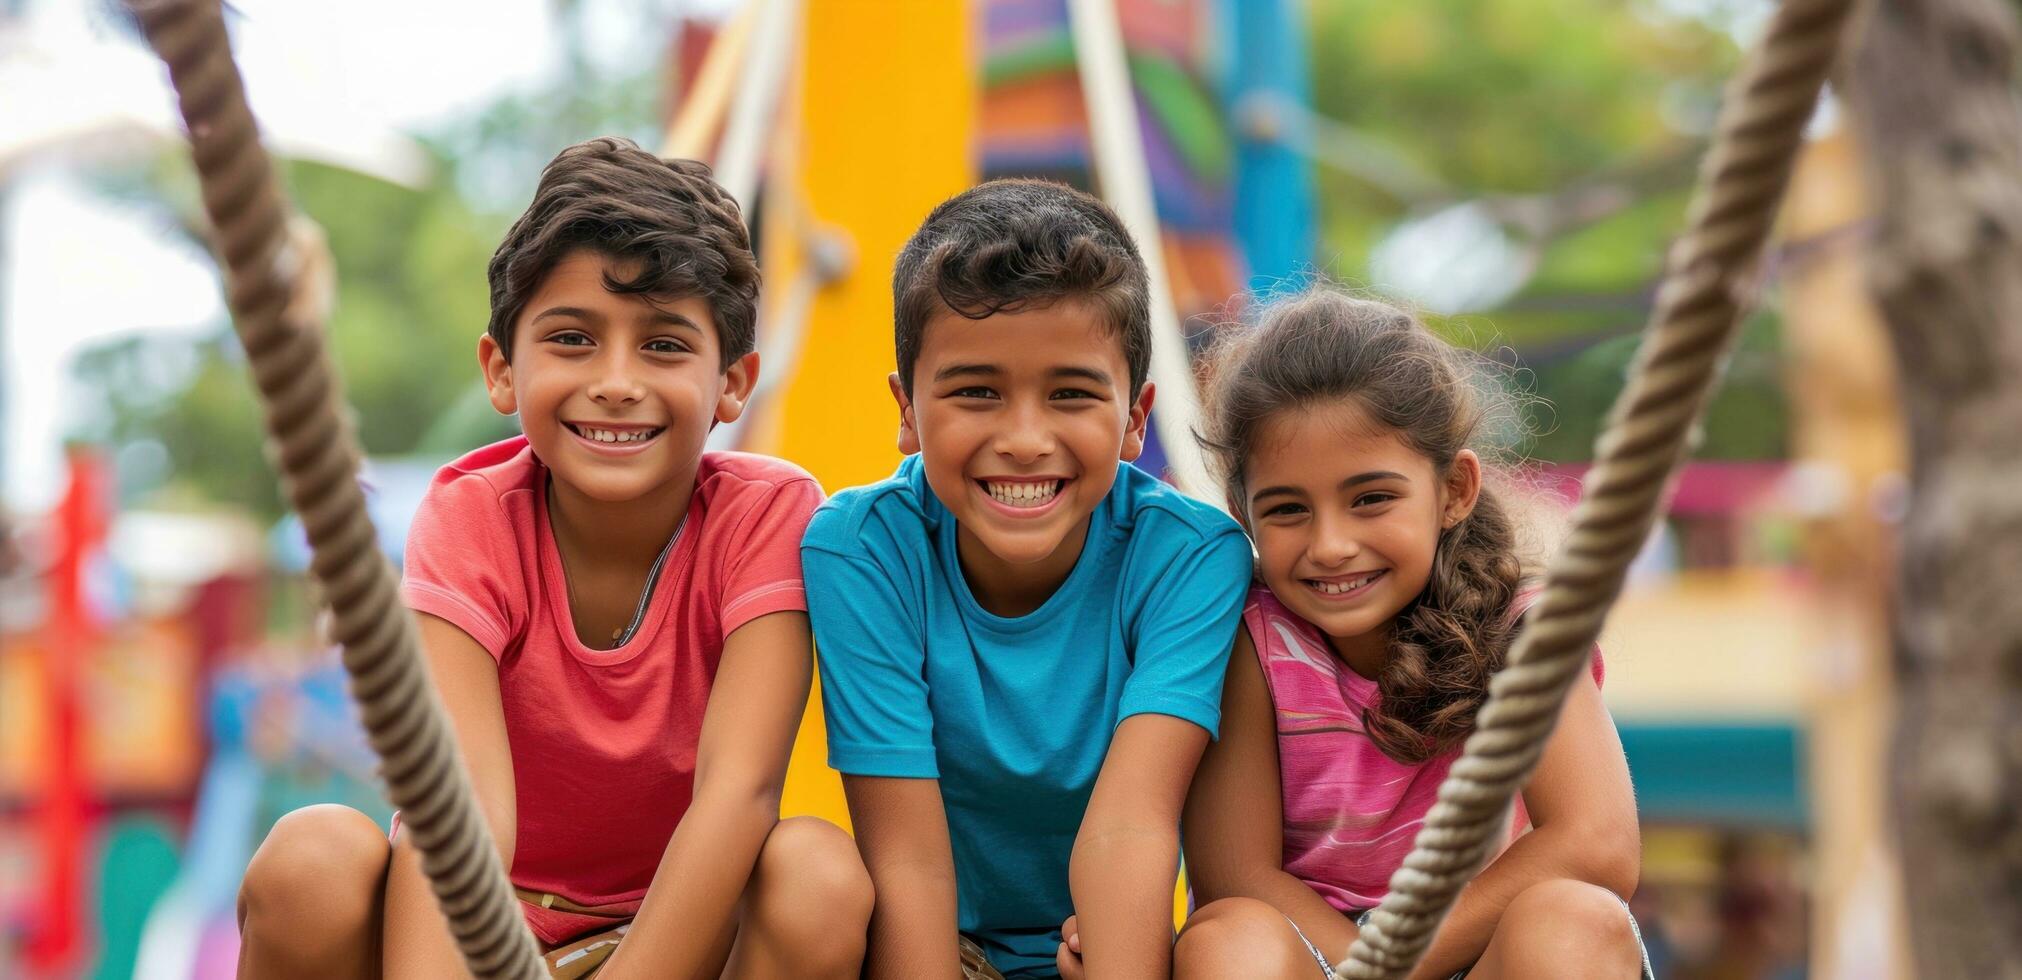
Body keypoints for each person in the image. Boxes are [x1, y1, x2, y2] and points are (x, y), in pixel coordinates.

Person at [234, 137, 871, 979]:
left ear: (733, 383)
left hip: (683, 934)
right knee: (310, 857)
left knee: (819, 874)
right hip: (485, 925)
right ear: (501, 371)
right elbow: (458, 810)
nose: (616, 380)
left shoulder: (768, 519)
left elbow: (736, 796)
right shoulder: (471, 519)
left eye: (665, 346)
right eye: (572, 339)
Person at [802, 179, 1253, 979]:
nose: (1023, 439)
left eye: (1071, 395)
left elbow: (1133, 827)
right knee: (805, 881)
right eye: (977, 392)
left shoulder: (1190, 556)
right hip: (938, 951)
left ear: (1135, 419)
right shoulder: (860, 549)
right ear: (907, 411)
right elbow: (906, 862)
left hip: (1112, 944)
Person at [1176, 289, 1653, 979]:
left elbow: (1597, 840)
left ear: (1454, 490)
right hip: (1320, 960)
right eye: (1287, 509)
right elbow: (1236, 875)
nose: (1331, 545)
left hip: (1470, 951)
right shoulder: (1253, 641)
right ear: (1242, 514)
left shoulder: (1520, 631)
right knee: (1228, 938)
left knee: (1575, 919)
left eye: (1371, 499)